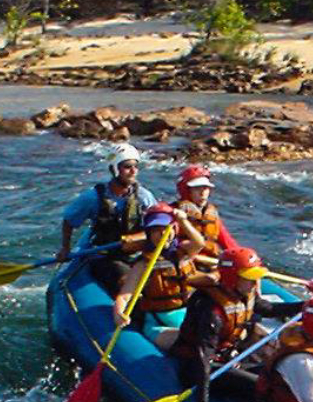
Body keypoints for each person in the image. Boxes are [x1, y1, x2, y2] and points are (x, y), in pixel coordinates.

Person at [176, 248, 304, 402]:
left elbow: (267, 308)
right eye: (249, 278)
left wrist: (303, 306)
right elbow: (202, 360)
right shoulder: (211, 310)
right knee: (262, 386)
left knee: (281, 376)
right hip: (199, 368)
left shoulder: (244, 293)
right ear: (231, 277)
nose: (254, 283)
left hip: (229, 359)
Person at [59, 143, 155, 293]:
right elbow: (69, 220)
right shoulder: (93, 197)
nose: (133, 171)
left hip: (136, 252)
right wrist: (65, 248)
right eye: (127, 166)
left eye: (136, 166)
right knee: (126, 282)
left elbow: (156, 223)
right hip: (106, 255)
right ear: (114, 169)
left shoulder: (144, 196)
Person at [113, 203, 207, 350]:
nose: (162, 234)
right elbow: (125, 296)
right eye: (156, 230)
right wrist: (119, 312)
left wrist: (183, 221)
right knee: (190, 341)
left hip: (187, 316)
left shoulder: (184, 251)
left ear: (174, 230)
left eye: (166, 229)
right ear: (149, 234)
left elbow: (199, 243)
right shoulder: (143, 264)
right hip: (159, 325)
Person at [172, 164, 239, 260]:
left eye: (205, 188)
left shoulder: (211, 214)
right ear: (186, 190)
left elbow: (228, 242)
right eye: (197, 188)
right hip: (187, 261)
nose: (202, 193)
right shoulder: (173, 212)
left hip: (211, 260)